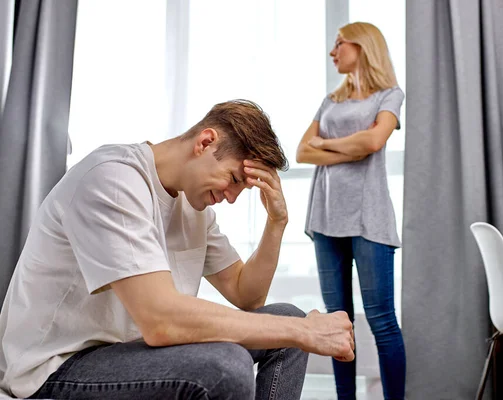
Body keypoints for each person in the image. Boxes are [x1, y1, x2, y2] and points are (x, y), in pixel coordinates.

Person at [0, 100, 355, 400]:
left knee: (287, 318)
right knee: (226, 364)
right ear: (205, 142)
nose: (231, 197)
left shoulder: (194, 207)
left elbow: (247, 295)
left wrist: (276, 223)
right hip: (57, 366)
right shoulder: (113, 180)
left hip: (130, 352)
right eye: (233, 180)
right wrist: (306, 332)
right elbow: (161, 321)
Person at [296, 22, 406, 399]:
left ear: (363, 45)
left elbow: (376, 141)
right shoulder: (331, 101)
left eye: (339, 43)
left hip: (368, 218)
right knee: (336, 324)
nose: (333, 52)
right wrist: (353, 146)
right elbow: (301, 151)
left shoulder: (390, 95)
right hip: (325, 217)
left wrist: (328, 145)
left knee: (382, 321)